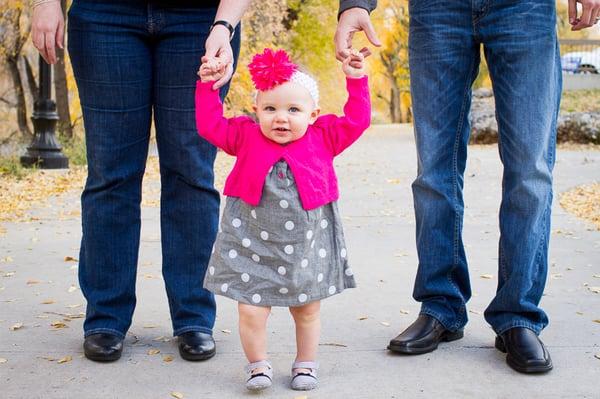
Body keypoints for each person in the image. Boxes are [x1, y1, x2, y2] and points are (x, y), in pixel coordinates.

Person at [31, 0, 251, 362]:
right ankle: (106, 318)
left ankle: (194, 316)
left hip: (201, 19)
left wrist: (224, 26)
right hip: (105, 16)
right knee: (110, 173)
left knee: (192, 172)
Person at [388, 0, 600, 374]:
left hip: (524, 8)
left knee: (530, 170)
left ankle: (517, 314)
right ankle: (441, 306)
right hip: (436, 9)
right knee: (433, 171)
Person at [195, 47, 369, 391]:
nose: (281, 118)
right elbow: (209, 125)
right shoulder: (245, 135)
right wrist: (207, 88)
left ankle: (305, 363)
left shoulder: (324, 136)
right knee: (251, 310)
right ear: (256, 109)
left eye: (294, 110)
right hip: (251, 241)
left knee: (306, 309)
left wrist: (356, 80)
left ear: (313, 113)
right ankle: (258, 365)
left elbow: (358, 120)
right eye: (271, 108)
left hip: (307, 244)